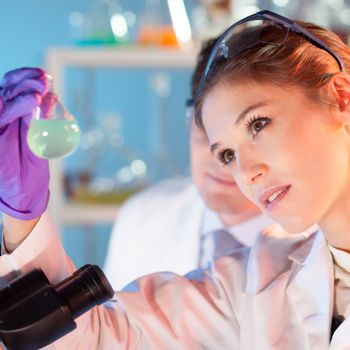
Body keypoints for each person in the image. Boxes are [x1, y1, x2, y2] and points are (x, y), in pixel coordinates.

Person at [0, 9, 346, 349]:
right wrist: (23, 214)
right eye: (227, 154)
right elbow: (97, 337)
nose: (245, 172)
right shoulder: (259, 282)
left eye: (258, 124)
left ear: (341, 96)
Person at [104, 37, 275, 290]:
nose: (222, 160)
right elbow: (107, 324)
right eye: (208, 129)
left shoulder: (326, 240)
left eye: (254, 130)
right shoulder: (143, 216)